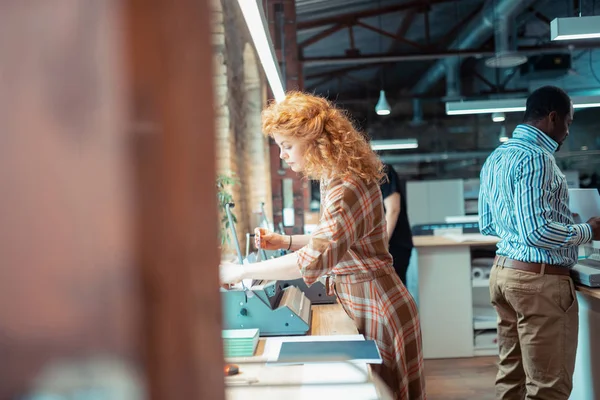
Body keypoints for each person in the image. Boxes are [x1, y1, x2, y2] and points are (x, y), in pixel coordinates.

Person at [220, 92, 426, 399]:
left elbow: (314, 258)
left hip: (376, 303)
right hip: (367, 296)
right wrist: (286, 241)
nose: (282, 155)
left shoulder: (345, 184)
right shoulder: (336, 177)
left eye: (287, 146)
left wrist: (239, 272)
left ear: (314, 140)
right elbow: (336, 240)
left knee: (387, 393)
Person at [478, 85, 600, 399]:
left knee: (512, 381)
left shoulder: (496, 157)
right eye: (568, 123)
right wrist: (587, 230)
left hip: (504, 275)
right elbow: (537, 232)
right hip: (538, 282)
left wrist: (558, 220)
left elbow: (488, 223)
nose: (568, 132)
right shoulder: (538, 159)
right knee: (548, 388)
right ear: (552, 117)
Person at [380, 163, 414, 285]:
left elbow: (393, 209)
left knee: (394, 294)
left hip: (394, 244)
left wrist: (381, 244)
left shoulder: (382, 170)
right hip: (385, 246)